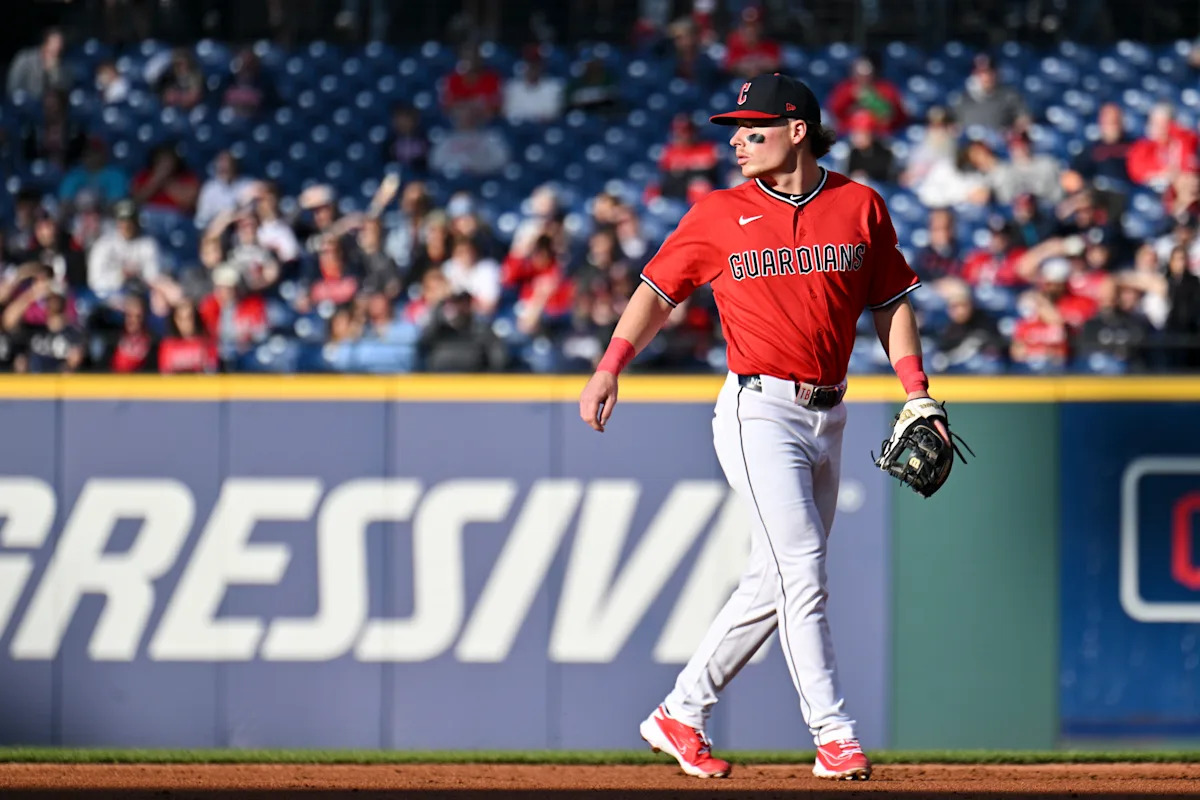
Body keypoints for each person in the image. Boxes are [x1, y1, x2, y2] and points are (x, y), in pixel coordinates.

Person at [578, 73, 949, 782]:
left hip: (830, 412)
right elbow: (657, 294)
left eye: (755, 129)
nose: (738, 142)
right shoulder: (719, 213)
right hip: (758, 408)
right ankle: (834, 734)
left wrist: (917, 391)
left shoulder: (860, 205)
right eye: (735, 131)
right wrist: (610, 365)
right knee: (802, 569)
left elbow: (892, 301)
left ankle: (680, 712)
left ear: (799, 130)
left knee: (774, 579)